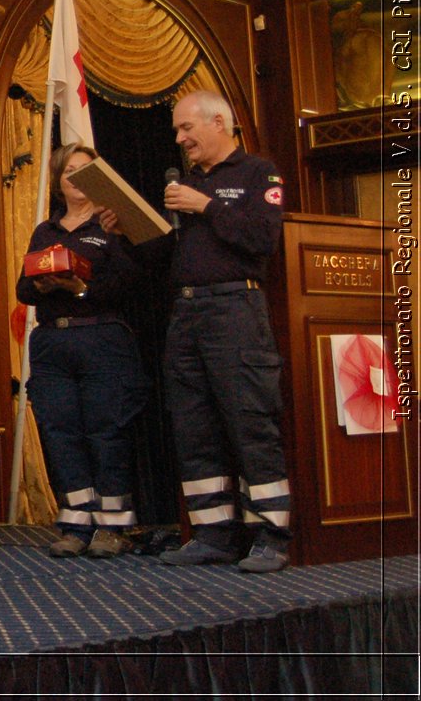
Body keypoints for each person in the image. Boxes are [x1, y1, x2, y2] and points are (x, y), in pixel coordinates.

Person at [102, 91, 292, 573]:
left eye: (187, 128)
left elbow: (261, 239)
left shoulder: (258, 173)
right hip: (185, 315)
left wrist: (205, 206)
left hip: (236, 309)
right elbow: (166, 260)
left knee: (250, 421)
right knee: (194, 425)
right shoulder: (187, 184)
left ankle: (270, 535)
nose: (181, 138)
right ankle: (213, 534)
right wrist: (126, 231)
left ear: (218, 123)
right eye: (177, 132)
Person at [14, 144, 146, 559]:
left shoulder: (112, 224)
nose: (75, 177)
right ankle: (76, 521)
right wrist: (42, 285)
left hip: (102, 338)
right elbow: (22, 288)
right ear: (57, 180)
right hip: (53, 341)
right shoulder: (45, 231)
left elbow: (130, 283)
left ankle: (113, 526)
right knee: (60, 431)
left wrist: (82, 287)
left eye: (84, 170)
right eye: (68, 170)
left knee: (105, 431)